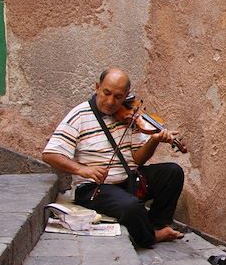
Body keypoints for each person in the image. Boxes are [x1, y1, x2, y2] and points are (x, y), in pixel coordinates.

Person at [42, 68, 185, 247]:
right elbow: (49, 154)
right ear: (97, 87)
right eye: (106, 93)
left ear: (126, 96)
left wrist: (154, 140)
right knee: (131, 207)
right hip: (94, 188)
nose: (110, 102)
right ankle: (151, 236)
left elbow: (138, 160)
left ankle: (156, 224)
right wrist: (82, 169)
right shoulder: (79, 115)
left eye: (118, 97)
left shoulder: (130, 117)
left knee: (172, 172)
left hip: (130, 181)